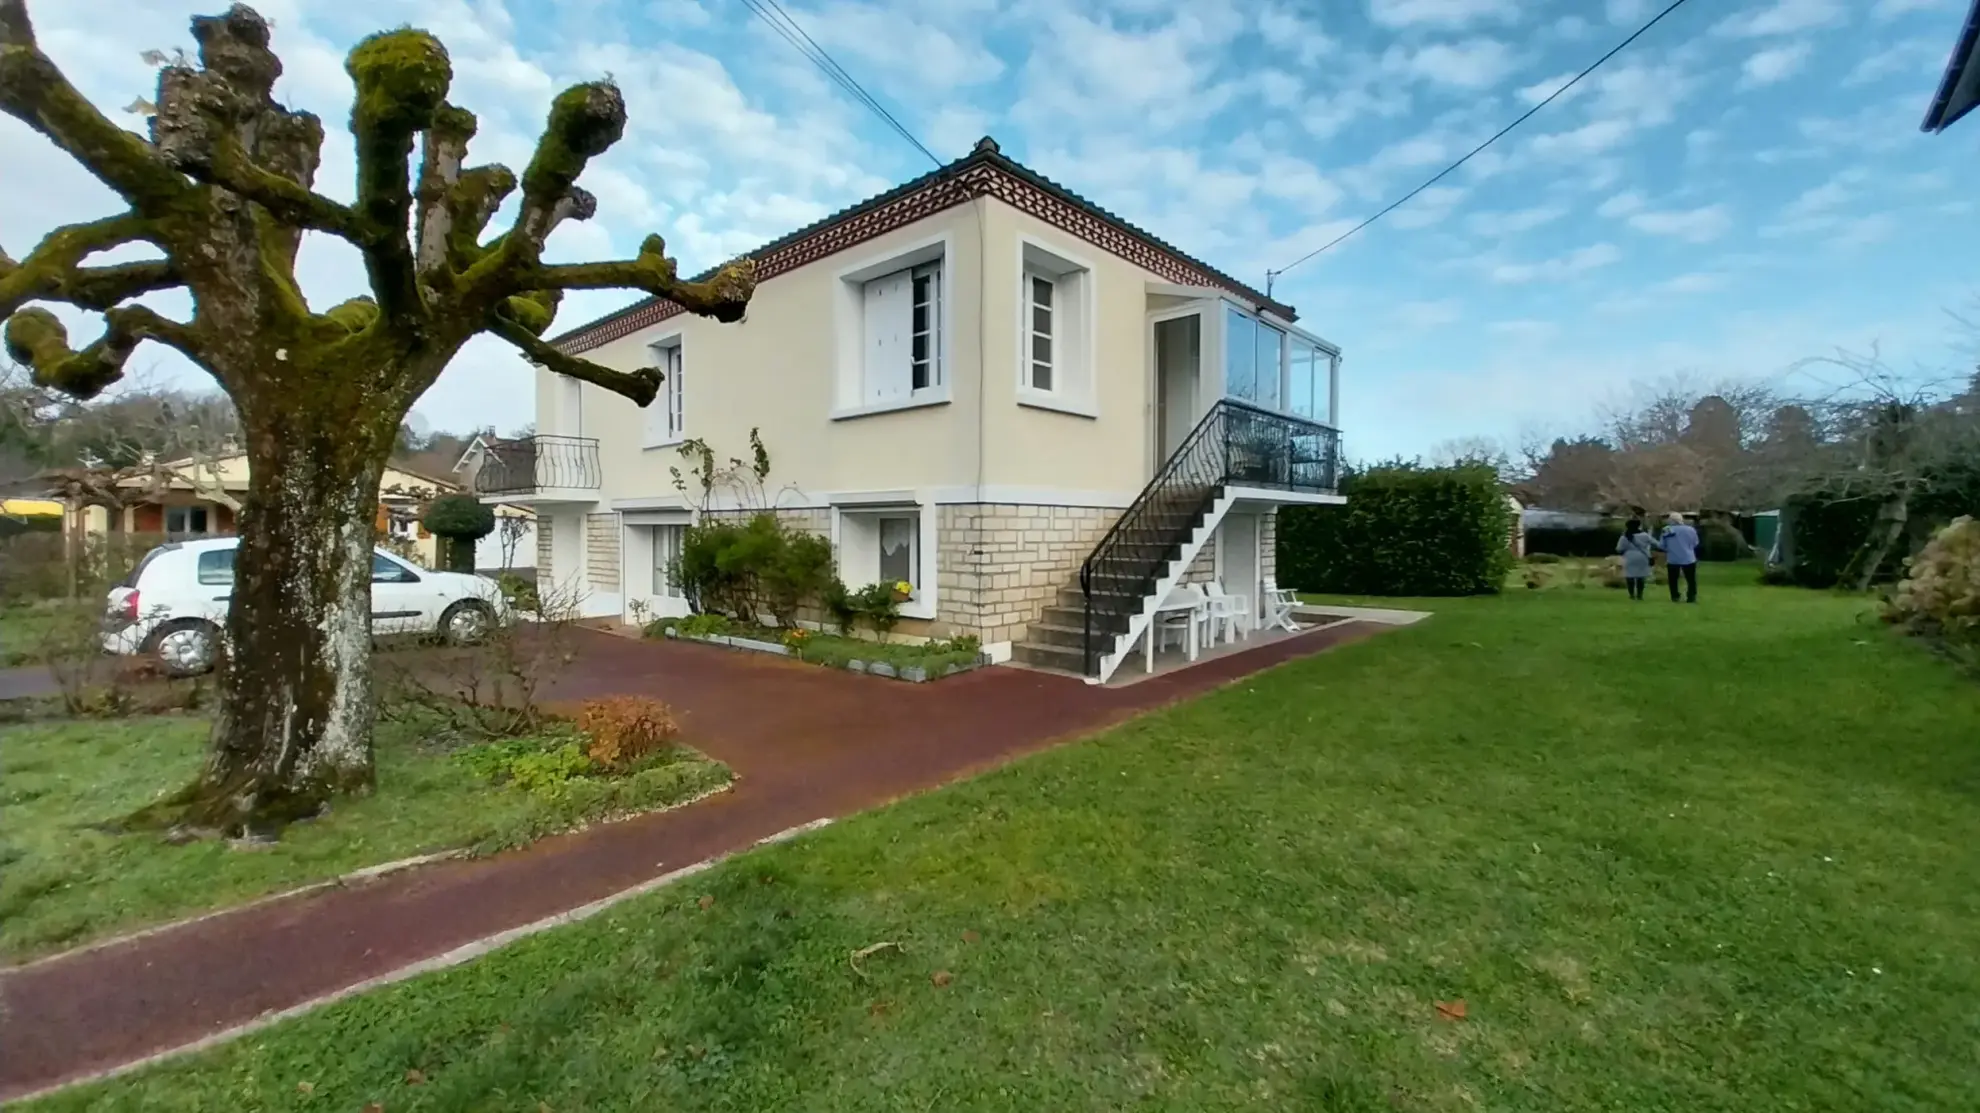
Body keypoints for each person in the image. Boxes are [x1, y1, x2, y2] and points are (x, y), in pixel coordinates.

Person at [1656, 512, 1700, 603]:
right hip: (1688, 557)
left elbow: (1661, 546)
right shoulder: (1690, 529)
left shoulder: (1666, 530)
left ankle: (1675, 596)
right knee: (1691, 579)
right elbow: (1695, 543)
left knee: (1673, 579)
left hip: (1673, 558)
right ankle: (1691, 597)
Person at [1616, 518, 1655, 600]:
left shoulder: (1625, 536)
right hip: (1642, 556)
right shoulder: (1645, 535)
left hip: (1629, 557)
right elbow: (1654, 543)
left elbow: (1619, 548)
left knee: (1630, 576)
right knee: (1641, 577)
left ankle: (1631, 594)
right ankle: (1640, 595)